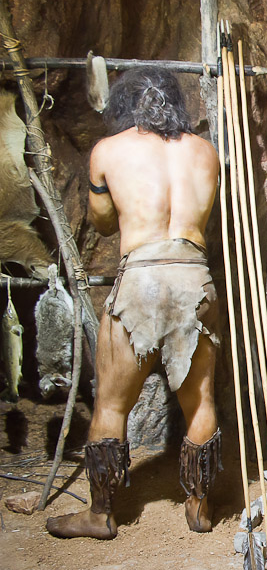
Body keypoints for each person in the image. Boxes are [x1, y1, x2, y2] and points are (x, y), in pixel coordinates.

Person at [47, 68, 221, 539]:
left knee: (111, 404)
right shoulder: (206, 152)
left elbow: (103, 224)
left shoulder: (108, 150)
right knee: (200, 400)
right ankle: (199, 509)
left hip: (141, 281)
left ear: (126, 104)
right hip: (194, 279)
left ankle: (100, 514)